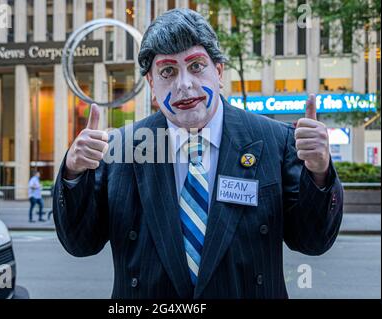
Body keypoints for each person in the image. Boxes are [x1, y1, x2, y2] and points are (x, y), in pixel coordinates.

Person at [53, 8, 343, 298]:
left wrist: (319, 172)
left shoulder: (275, 141)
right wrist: (74, 172)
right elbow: (80, 243)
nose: (184, 85)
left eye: (196, 66)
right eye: (167, 71)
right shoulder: (122, 149)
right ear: (152, 85)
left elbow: (313, 241)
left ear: (218, 73)